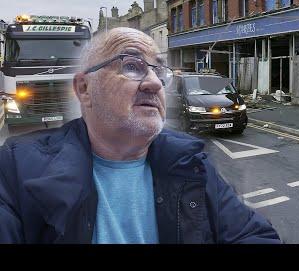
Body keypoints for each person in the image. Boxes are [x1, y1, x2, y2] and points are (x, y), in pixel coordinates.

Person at [0, 27, 281, 244]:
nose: (154, 83)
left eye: (160, 71)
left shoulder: (192, 163)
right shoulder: (15, 169)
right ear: (84, 89)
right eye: (132, 66)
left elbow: (253, 234)